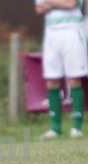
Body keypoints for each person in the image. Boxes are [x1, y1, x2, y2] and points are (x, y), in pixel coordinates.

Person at [36, 0, 87, 140]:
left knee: (74, 78)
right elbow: (39, 8)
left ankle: (76, 127)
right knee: (52, 80)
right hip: (51, 32)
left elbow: (71, 4)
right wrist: (60, 3)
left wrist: (50, 3)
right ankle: (55, 128)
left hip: (72, 30)